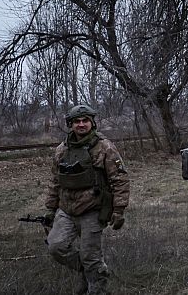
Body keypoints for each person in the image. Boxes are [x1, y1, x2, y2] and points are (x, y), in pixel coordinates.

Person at [44, 105, 130, 295]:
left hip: (93, 210)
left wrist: (119, 210)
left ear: (92, 123)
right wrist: (50, 209)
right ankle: (87, 271)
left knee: (91, 257)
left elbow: (120, 179)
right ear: (71, 125)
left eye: (85, 121)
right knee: (56, 247)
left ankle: (97, 289)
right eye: (77, 121)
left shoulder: (105, 147)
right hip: (66, 209)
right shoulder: (62, 149)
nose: (81, 125)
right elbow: (55, 181)